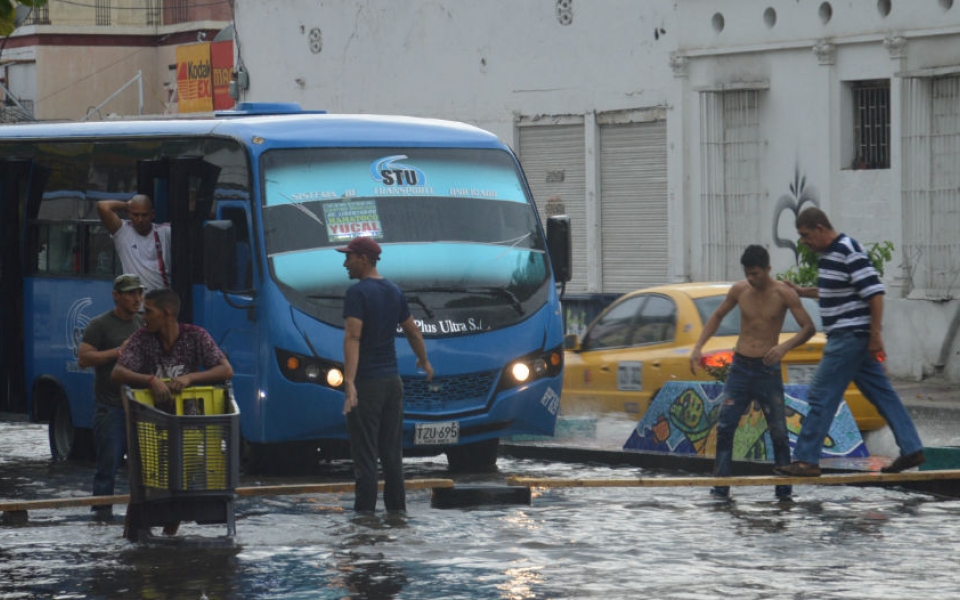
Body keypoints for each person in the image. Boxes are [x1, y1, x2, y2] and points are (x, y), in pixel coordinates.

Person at [775, 207, 924, 477]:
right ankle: (911, 448)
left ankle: (806, 460)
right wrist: (801, 291)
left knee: (820, 393)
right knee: (882, 394)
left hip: (848, 337)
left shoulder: (847, 249)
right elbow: (832, 291)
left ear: (820, 228)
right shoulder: (829, 256)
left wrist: (876, 335)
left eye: (806, 235)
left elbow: (874, 292)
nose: (804, 242)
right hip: (850, 338)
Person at [690, 245, 815, 500]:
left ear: (768, 269)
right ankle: (721, 488)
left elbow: (808, 328)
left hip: (767, 370)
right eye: (748, 274)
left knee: (778, 431)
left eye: (756, 273)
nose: (751, 279)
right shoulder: (740, 290)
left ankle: (783, 494)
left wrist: (783, 347)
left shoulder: (784, 294)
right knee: (725, 427)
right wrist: (698, 347)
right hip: (740, 368)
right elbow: (717, 315)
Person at [338, 236, 434, 514]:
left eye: (349, 257)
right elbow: (412, 330)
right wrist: (424, 361)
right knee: (392, 456)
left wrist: (350, 382)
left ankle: (364, 523)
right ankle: (397, 516)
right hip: (393, 384)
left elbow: (353, 337)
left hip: (367, 384)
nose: (346, 263)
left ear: (364, 259)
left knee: (366, 458)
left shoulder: (357, 293)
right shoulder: (394, 291)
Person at [77, 274, 146, 521]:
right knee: (107, 469)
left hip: (140, 408)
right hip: (110, 408)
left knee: (144, 470)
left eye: (139, 293)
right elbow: (84, 358)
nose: (137, 298)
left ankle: (142, 518)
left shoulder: (143, 324)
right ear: (116, 296)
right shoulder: (100, 325)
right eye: (130, 293)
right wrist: (119, 351)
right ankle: (101, 519)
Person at [112, 288, 234, 411]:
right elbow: (117, 372)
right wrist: (150, 380)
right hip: (152, 419)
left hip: (188, 419)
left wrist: (189, 378)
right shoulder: (141, 337)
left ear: (166, 313)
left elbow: (226, 370)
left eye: (148, 312)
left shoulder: (196, 335)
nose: (144, 317)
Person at [97, 194, 171, 291]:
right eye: (136, 215)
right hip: (134, 302)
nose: (140, 220)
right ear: (129, 214)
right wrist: (126, 205)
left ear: (153, 214)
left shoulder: (164, 232)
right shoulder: (123, 232)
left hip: (160, 301)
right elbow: (102, 206)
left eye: (144, 215)